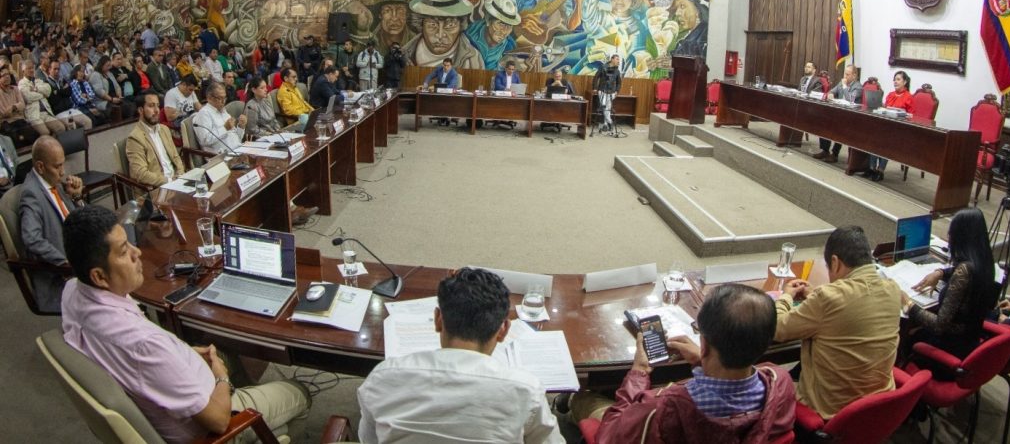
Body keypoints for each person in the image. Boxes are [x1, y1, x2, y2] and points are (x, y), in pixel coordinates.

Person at [60, 205, 311, 443]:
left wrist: (182, 355)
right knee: (299, 391)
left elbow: (147, 362)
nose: (137, 253)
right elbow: (218, 421)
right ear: (99, 276)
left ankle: (265, 419)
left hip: (180, 383)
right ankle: (260, 426)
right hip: (212, 426)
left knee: (222, 348)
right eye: (124, 251)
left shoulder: (73, 290)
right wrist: (222, 379)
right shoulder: (143, 344)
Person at [357, 267, 563, 443]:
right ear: (503, 330)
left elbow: (369, 439)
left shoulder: (382, 378)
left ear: (438, 319)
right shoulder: (526, 391)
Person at [577, 284, 795, 443]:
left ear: (705, 344)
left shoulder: (661, 408)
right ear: (766, 344)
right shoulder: (781, 382)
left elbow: (610, 435)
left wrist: (639, 371)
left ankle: (571, 402)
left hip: (629, 423)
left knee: (584, 398)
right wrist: (703, 361)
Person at [774, 226, 901, 419]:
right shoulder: (893, 289)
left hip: (830, 412)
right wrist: (815, 296)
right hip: (876, 409)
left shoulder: (828, 297)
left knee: (770, 378)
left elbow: (778, 328)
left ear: (835, 262)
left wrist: (785, 297)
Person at [905, 209, 1000, 360]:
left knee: (907, 333)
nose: (949, 237)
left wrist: (908, 304)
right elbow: (963, 271)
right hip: (969, 343)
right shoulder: (985, 262)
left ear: (961, 237)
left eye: (951, 233)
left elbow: (939, 325)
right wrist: (940, 273)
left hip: (949, 352)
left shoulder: (964, 271)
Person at [19, 136, 84, 312]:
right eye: (58, 166)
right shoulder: (31, 194)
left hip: (80, 255)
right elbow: (31, 239)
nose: (63, 172)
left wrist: (76, 197)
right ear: (40, 166)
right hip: (60, 276)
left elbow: (77, 222)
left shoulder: (53, 182)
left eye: (63, 164)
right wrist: (64, 262)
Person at [403, 0, 484, 69]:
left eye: (450, 25)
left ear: (460, 25)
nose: (440, 35)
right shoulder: (404, 55)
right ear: (421, 24)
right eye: (432, 25)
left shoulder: (473, 59)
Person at [864, 70, 915, 181]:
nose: (895, 82)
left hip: (899, 130)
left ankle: (880, 170)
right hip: (886, 126)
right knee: (874, 136)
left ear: (905, 82)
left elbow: (912, 116)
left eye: (898, 79)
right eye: (894, 79)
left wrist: (904, 114)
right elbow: (886, 109)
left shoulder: (909, 97)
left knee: (885, 140)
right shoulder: (890, 95)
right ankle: (872, 168)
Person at [126, 92, 184, 188]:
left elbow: (175, 157)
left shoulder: (164, 129)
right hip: (158, 188)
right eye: (151, 106)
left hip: (177, 181)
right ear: (141, 110)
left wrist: (181, 175)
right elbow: (141, 174)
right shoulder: (135, 138)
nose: (157, 110)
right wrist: (169, 180)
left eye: (158, 106)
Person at [192, 82, 246, 154]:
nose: (223, 102)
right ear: (209, 98)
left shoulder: (224, 112)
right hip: (222, 157)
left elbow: (237, 138)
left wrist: (241, 127)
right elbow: (205, 140)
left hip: (238, 150)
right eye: (220, 98)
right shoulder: (204, 114)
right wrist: (225, 128)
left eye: (225, 98)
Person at [18, 61, 70, 136]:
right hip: (34, 115)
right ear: (23, 71)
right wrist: (42, 94)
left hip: (46, 112)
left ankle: (57, 146)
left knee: (61, 127)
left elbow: (48, 91)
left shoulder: (38, 80)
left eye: (32, 68)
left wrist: (36, 90)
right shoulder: (21, 83)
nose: (32, 70)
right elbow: (28, 97)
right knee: (45, 132)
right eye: (29, 68)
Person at [593, 54, 622, 132]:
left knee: (608, 109)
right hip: (602, 90)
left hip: (612, 92)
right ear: (612, 59)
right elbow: (596, 77)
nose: (618, 61)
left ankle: (605, 125)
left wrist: (617, 91)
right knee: (603, 106)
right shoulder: (603, 67)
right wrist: (595, 88)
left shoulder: (617, 71)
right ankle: (610, 122)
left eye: (618, 60)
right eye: (617, 59)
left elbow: (619, 82)